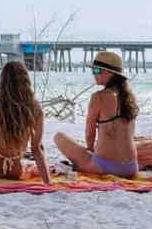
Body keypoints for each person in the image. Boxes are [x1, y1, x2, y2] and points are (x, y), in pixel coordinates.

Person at [54, 50, 144, 178]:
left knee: (59, 137)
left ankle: (78, 166)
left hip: (106, 167)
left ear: (111, 73)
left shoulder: (98, 97)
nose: (94, 74)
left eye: (97, 71)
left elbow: (90, 135)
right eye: (93, 71)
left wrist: (90, 148)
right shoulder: (128, 98)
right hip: (131, 167)